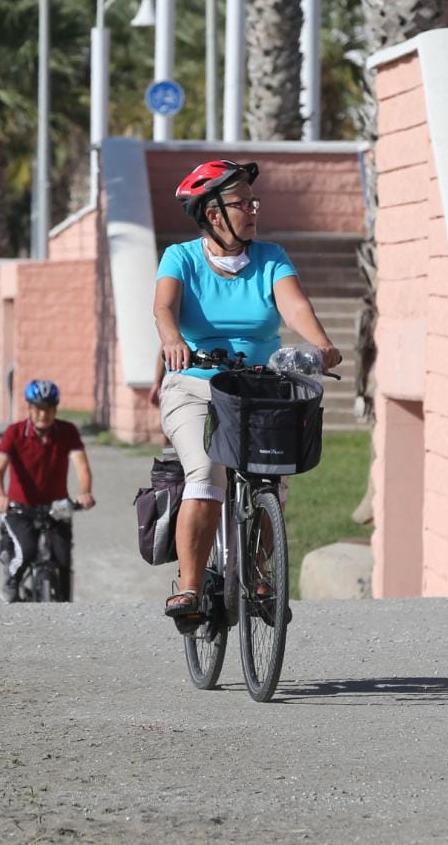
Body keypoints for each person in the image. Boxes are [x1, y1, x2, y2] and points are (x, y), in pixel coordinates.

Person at [152, 159, 343, 621]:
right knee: (206, 475)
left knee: (272, 479)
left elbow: (294, 307)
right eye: (242, 204)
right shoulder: (180, 257)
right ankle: (190, 588)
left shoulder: (271, 257)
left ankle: (257, 574)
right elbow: (164, 307)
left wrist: (320, 344)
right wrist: (173, 340)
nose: (253, 211)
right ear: (213, 214)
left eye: (253, 203)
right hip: (194, 385)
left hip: (259, 387)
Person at [0, 380, 95, 603]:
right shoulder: (14, 433)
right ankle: (11, 580)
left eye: (48, 409)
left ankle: (65, 605)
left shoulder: (67, 431)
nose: (43, 414)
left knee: (63, 560)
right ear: (29, 408)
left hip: (57, 508)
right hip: (20, 509)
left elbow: (82, 467)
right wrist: (0, 496)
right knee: (27, 551)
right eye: (38, 408)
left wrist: (85, 493)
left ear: (55, 409)